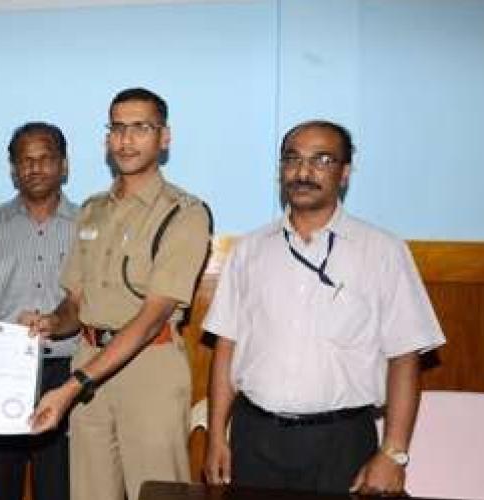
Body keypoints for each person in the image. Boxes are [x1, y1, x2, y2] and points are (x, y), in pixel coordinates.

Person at [202, 120, 446, 495]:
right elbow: (226, 350)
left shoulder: (382, 251)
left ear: (345, 173)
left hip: (342, 444)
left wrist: (393, 453)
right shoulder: (249, 251)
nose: (303, 172)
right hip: (255, 439)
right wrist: (217, 436)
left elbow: (404, 357)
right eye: (292, 159)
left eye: (322, 160)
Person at [23, 88, 213, 500]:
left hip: (150, 369)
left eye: (140, 128)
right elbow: (75, 303)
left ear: (164, 137)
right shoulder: (92, 210)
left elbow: (151, 320)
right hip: (89, 359)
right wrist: (51, 322)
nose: (127, 140)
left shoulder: (185, 213)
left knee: (158, 492)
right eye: (118, 128)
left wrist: (74, 385)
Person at [0, 122, 78, 500]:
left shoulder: (89, 226)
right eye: (25, 160)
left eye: (46, 158)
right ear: (13, 168)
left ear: (64, 165)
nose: (35, 168)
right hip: (1, 373)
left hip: (65, 372)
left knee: (59, 487)